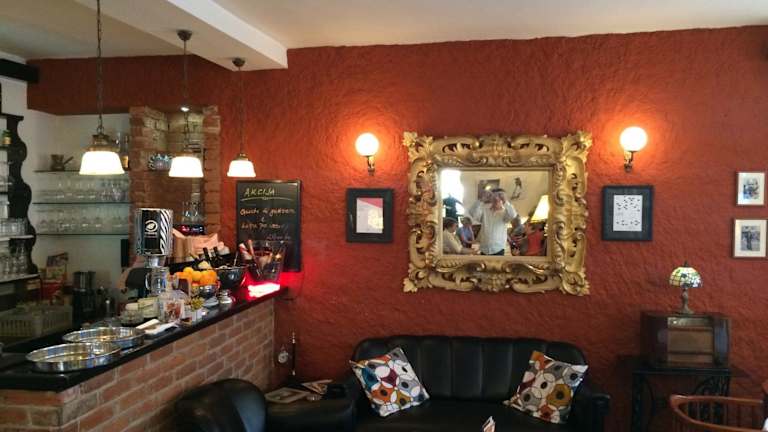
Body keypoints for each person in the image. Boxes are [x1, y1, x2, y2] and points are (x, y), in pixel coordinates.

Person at [468, 188, 520, 255]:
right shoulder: (485, 211)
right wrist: (481, 199)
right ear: (491, 198)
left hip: (498, 249)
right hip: (484, 249)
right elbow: (472, 212)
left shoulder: (505, 213)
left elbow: (513, 215)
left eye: (500, 196)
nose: (496, 198)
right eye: (494, 196)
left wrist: (505, 201)